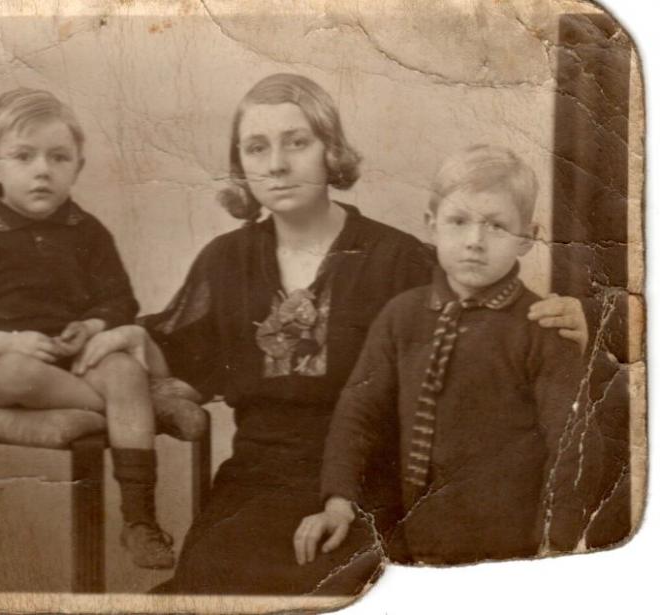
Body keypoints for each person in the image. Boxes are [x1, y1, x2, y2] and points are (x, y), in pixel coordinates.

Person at [73, 73, 589, 595]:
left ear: (330, 151)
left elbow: (489, 320)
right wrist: (131, 343)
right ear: (241, 166)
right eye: (257, 147)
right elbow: (181, 350)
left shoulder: (397, 259)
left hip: (372, 484)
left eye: (297, 142)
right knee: (212, 583)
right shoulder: (226, 261)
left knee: (338, 590)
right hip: (256, 480)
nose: (276, 164)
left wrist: (579, 318)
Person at [297, 145, 603, 566]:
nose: (474, 241)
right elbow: (358, 414)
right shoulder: (401, 316)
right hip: (411, 537)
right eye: (458, 222)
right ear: (432, 226)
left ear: (527, 238)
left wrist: (557, 542)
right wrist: (338, 500)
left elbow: (572, 446)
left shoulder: (542, 330)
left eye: (496, 226)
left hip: (509, 546)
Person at [0, 88, 175, 569]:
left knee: (121, 370)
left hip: (76, 362)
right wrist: (4, 341)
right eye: (23, 156)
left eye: (59, 157)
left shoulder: (88, 231)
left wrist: (93, 324)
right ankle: (135, 410)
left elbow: (121, 299)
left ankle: (139, 518)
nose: (43, 169)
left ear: (78, 166)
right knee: (21, 374)